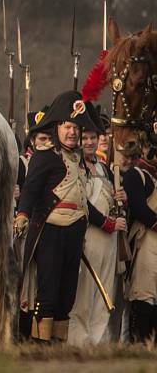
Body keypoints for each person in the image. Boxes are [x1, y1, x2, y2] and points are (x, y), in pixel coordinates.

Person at [15, 90, 113, 343]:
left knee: (67, 296)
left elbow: (82, 201)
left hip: (74, 235)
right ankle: (40, 347)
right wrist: (23, 214)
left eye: (75, 127)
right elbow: (30, 191)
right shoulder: (44, 157)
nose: (72, 132)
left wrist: (104, 221)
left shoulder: (80, 160)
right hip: (50, 233)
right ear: (57, 128)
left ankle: (59, 348)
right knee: (47, 293)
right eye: (66, 126)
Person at [68, 105, 126, 345]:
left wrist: (121, 198)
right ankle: (78, 343)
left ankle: (99, 344)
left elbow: (109, 202)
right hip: (89, 236)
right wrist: (107, 223)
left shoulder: (104, 168)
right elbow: (83, 204)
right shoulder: (75, 166)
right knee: (84, 294)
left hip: (110, 240)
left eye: (94, 137)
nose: (90, 142)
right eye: (86, 137)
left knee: (105, 296)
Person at [120, 146, 157, 342]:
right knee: (144, 294)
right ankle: (139, 345)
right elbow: (139, 208)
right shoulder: (136, 175)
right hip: (146, 241)